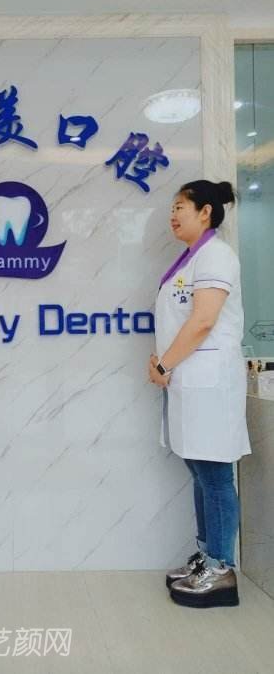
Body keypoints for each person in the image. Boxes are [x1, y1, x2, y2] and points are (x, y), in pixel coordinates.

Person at [149, 179, 251, 608]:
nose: (173, 215)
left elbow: (204, 320)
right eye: (172, 208)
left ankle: (221, 568)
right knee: (199, 470)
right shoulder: (192, 258)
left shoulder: (216, 256)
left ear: (206, 211)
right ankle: (207, 555)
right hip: (189, 381)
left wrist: (163, 364)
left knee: (215, 477)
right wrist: (164, 362)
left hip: (208, 382)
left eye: (180, 207)